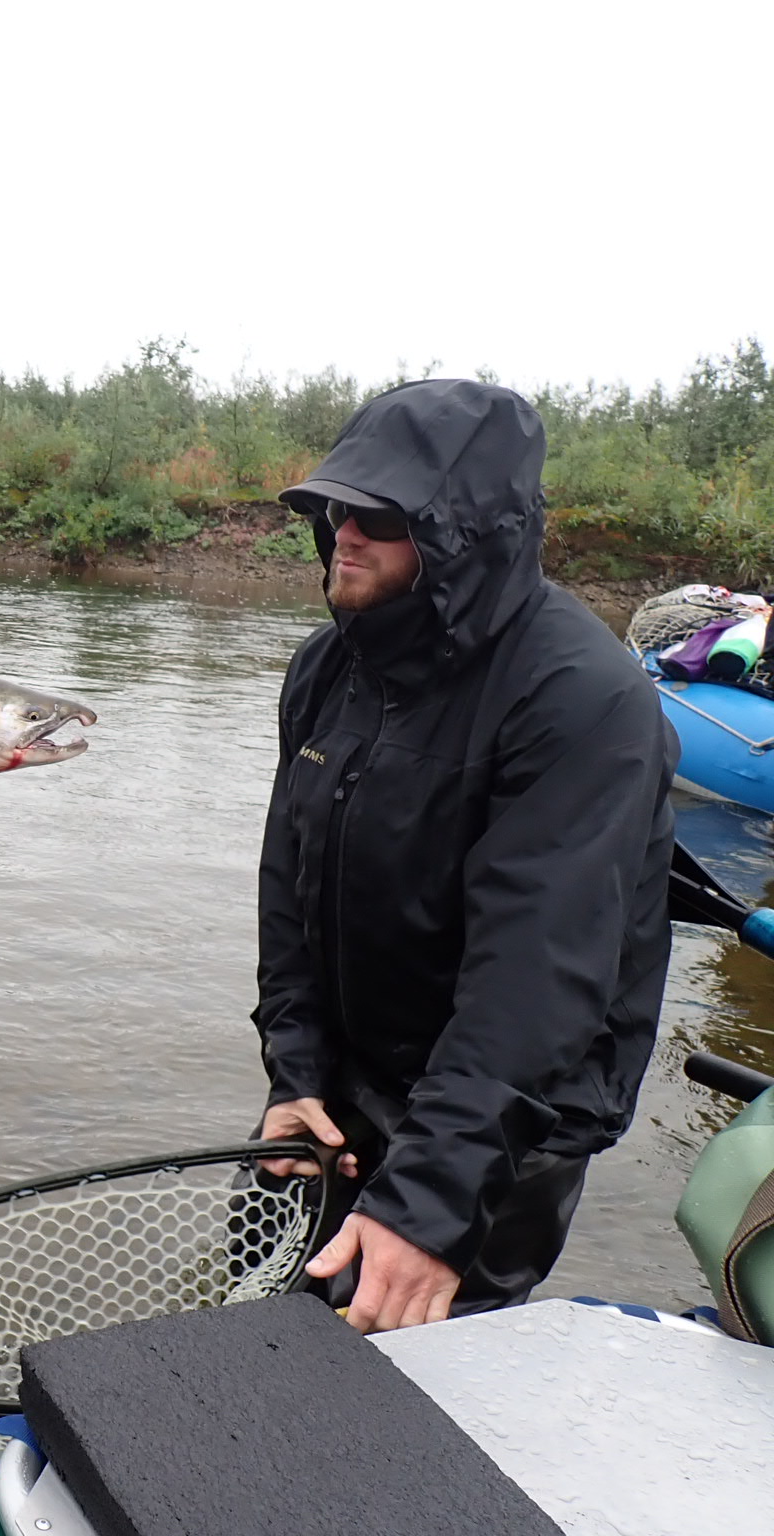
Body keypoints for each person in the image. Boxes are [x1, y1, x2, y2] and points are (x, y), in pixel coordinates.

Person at [252, 378, 678, 1334]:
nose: (344, 531)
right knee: (252, 1336)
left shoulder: (584, 701)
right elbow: (290, 891)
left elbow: (537, 980)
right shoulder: (327, 667)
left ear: (463, 532)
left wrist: (428, 1206)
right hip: (344, 1091)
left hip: (504, 1129)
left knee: (406, 1410)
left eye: (380, 514)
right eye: (333, 507)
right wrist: (296, 1074)